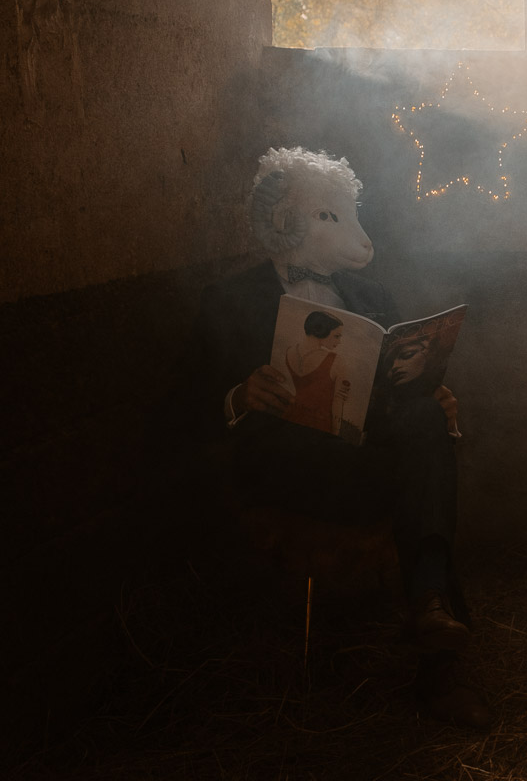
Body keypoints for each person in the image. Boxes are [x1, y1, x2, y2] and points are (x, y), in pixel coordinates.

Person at [182, 146, 489, 729]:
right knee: (417, 475)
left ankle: (433, 628)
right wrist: (241, 396)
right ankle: (437, 636)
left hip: (364, 469)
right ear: (283, 223)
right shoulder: (230, 300)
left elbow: (393, 399)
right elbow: (188, 407)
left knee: (425, 422)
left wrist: (428, 399)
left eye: (348, 212)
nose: (357, 236)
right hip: (289, 476)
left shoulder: (371, 298)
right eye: (329, 216)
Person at [281, 311, 349, 435]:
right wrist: (336, 434)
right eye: (337, 336)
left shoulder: (289, 351)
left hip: (291, 416)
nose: (339, 342)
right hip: (320, 424)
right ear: (321, 330)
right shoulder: (336, 361)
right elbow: (338, 402)